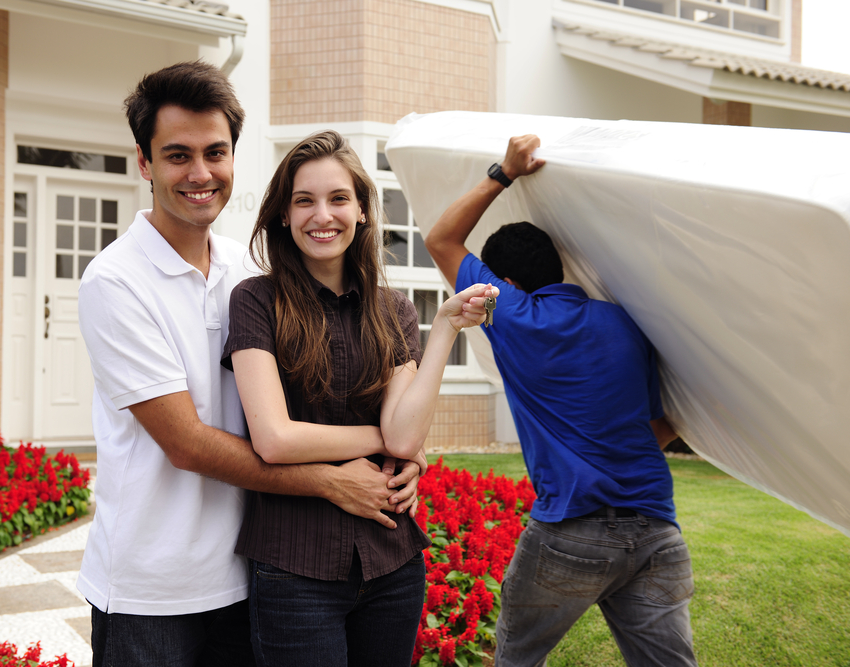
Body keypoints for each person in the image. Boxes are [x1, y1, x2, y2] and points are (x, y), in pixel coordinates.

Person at [76, 62, 424, 667]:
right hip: (153, 589)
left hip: (248, 571)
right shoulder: (115, 281)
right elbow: (185, 444)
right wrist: (332, 479)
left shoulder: (247, 273)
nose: (201, 173)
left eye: (216, 152)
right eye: (178, 155)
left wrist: (404, 456)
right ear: (144, 162)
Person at [222, 130, 497, 667]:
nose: (322, 215)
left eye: (338, 198)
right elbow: (274, 439)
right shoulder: (255, 300)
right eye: (304, 200)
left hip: (393, 561)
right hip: (294, 566)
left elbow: (408, 430)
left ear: (364, 211)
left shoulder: (393, 310)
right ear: (283, 214)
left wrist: (442, 328)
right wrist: (389, 441)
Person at [424, 135, 698, 667]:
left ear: (502, 284)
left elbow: (440, 239)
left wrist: (506, 172)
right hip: (658, 532)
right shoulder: (625, 323)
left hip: (571, 532)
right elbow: (657, 427)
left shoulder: (515, 316)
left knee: (516, 659)